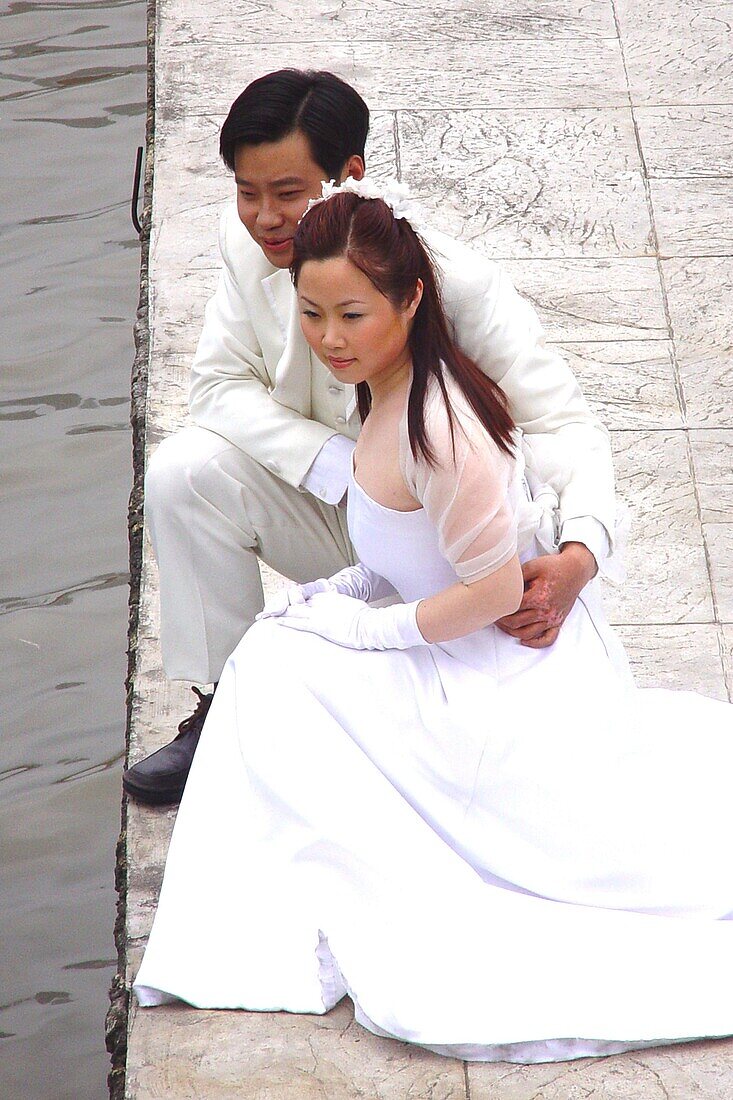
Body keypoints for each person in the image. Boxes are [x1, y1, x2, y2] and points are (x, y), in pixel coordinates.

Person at [134, 183, 733, 1062]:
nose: (328, 338)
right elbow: (387, 548)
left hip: (488, 673)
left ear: (409, 300)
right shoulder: (382, 386)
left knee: (274, 678)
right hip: (444, 636)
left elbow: (491, 594)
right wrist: (332, 597)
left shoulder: (437, 422)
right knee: (271, 657)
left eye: (350, 314)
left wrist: (369, 630)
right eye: (310, 314)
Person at [122, 68, 624, 807]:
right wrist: (345, 469)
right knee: (183, 472)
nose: (263, 218)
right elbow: (217, 389)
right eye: (245, 191)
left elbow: (564, 424)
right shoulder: (246, 246)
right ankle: (230, 709)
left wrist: (579, 556)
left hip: (454, 549)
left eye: (287, 193)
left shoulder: (456, 284)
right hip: (350, 513)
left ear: (348, 173)